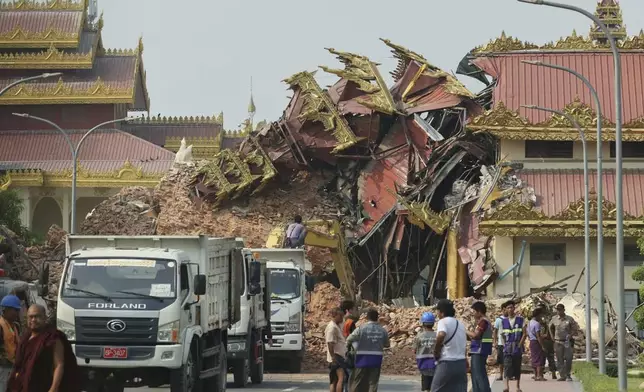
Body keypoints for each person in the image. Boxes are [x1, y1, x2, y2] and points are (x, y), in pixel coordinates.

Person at [7, 304, 80, 392]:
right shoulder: (25, 338)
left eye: (37, 316)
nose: (33, 320)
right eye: (31, 317)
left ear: (45, 318)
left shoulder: (53, 337)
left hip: (44, 385)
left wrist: (53, 389)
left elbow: (59, 365)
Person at [346, 308, 389, 392]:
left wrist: (350, 350)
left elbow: (349, 339)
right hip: (376, 359)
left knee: (356, 380)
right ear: (377, 318)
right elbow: (387, 344)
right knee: (373, 382)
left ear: (367, 318)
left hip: (362, 358)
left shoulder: (361, 329)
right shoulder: (383, 330)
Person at [431, 299, 467, 392]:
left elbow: (441, 335)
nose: (437, 313)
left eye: (437, 311)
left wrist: (436, 351)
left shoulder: (443, 322)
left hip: (447, 363)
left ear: (442, 312)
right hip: (461, 363)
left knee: (436, 389)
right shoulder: (461, 324)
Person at [501, 300, 526, 392]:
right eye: (508, 308)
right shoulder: (503, 321)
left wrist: (520, 344)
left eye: (511, 307)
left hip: (517, 345)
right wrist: (504, 345)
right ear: (506, 310)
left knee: (517, 366)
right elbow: (502, 334)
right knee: (507, 366)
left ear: (514, 308)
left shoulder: (520, 319)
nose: (510, 309)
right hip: (508, 346)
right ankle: (506, 386)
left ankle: (517, 387)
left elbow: (524, 333)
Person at [467, 301, 492, 392]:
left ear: (479, 311)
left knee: (479, 375)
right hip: (479, 350)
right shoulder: (482, 322)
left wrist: (465, 330)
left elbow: (476, 335)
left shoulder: (483, 322)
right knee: (476, 374)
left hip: (479, 351)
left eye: (474, 311)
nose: (473, 314)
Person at [549, 303, 578, 382]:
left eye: (560, 310)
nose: (558, 311)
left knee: (568, 358)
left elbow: (575, 328)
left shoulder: (569, 319)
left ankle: (568, 375)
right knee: (559, 359)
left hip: (567, 342)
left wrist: (571, 334)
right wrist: (552, 337)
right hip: (558, 341)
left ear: (563, 310)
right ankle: (562, 375)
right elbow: (550, 327)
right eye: (557, 310)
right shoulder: (554, 319)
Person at [0, 295, 22, 387]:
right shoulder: (1, 326)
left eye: (18, 310)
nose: (17, 313)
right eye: (15, 310)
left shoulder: (14, 325)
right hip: (3, 367)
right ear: (6, 310)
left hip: (13, 365)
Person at [326, 307, 348, 392]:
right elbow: (330, 343)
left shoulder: (336, 326)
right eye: (340, 316)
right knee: (341, 379)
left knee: (334, 380)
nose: (342, 318)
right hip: (337, 356)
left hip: (336, 356)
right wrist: (333, 357)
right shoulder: (332, 327)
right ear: (335, 315)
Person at [414, 312, 437, 392]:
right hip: (435, 364)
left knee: (425, 386)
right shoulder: (437, 335)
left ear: (423, 323)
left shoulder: (419, 336)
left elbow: (415, 349)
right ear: (433, 323)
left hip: (423, 364)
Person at [538, 306, 557, 379]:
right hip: (549, 341)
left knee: (543, 357)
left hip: (545, 341)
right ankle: (553, 373)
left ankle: (541, 374)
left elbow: (543, 333)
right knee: (550, 358)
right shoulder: (551, 318)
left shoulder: (544, 320)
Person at [528, 308, 546, 381]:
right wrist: (542, 345)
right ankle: (539, 375)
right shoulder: (537, 323)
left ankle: (535, 375)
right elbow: (538, 336)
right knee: (539, 358)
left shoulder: (529, 323)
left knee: (534, 358)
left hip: (531, 341)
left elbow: (527, 334)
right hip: (536, 342)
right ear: (538, 315)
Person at [492, 302, 508, 381]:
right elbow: (495, 331)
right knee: (501, 361)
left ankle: (508, 375)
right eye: (505, 309)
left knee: (508, 360)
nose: (506, 311)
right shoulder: (498, 320)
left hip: (509, 343)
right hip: (501, 343)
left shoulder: (511, 319)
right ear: (502, 310)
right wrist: (495, 342)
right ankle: (501, 375)